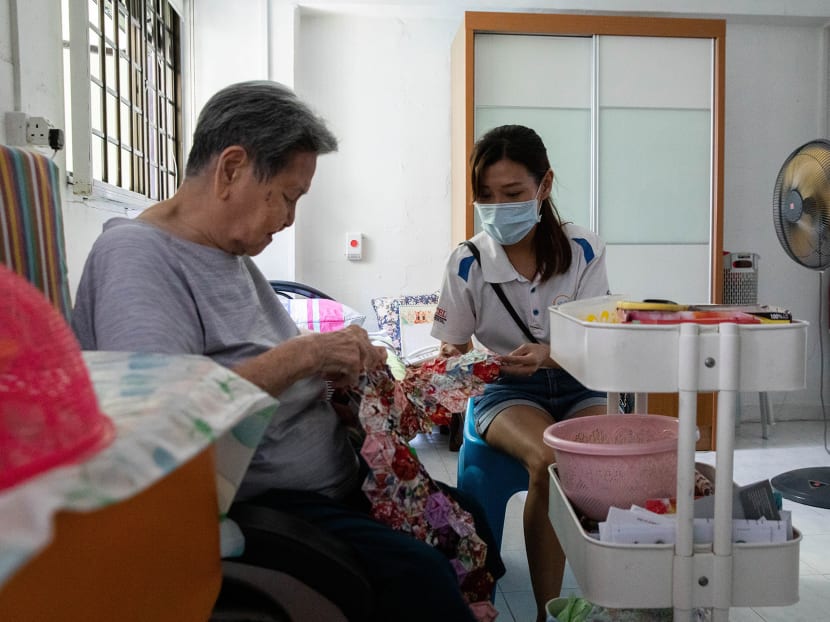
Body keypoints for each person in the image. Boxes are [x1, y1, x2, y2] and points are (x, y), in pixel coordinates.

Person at [71, 80, 503, 622]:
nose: (291, 218)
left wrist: (340, 381)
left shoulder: (229, 255)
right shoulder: (137, 259)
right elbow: (161, 420)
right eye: (288, 196)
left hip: (332, 477)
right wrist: (309, 356)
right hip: (264, 503)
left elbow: (258, 366)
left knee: (470, 520)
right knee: (423, 577)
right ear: (231, 169)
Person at [431, 124, 610, 622]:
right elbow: (453, 346)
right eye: (485, 196)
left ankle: (617, 592)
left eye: (512, 195)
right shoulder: (467, 261)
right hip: (506, 390)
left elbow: (598, 339)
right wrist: (453, 356)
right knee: (552, 462)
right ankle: (546, 613)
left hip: (580, 382)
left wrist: (548, 355)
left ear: (544, 185)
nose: (497, 208)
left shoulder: (583, 249)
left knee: (608, 462)